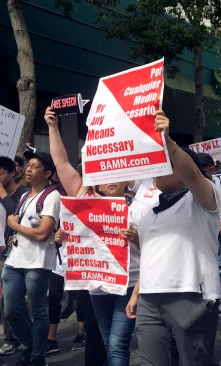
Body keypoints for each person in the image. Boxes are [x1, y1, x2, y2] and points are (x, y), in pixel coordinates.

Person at [127, 109, 221, 365]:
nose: (156, 172)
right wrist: (137, 293)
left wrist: (167, 141)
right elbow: (150, 256)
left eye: (164, 164)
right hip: (149, 298)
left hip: (191, 295)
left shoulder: (203, 197)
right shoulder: (147, 209)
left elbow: (191, 174)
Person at [45, 105, 137, 365]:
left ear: (127, 178)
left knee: (118, 345)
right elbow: (61, 162)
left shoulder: (138, 203)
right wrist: (53, 128)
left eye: (115, 173)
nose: (109, 178)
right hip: (97, 285)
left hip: (127, 283)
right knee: (109, 344)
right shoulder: (83, 197)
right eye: (102, 172)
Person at [2, 150, 60, 366]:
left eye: (35, 166)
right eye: (28, 165)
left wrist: (15, 225)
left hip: (37, 262)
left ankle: (37, 356)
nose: (28, 168)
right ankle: (31, 345)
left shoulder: (52, 196)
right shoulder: (25, 195)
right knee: (10, 310)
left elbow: (43, 233)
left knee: (37, 310)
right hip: (14, 260)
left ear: (47, 173)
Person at [0, 156, 29, 355]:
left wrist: (2, 193)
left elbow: (15, 214)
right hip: (3, 252)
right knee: (5, 301)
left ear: (13, 172)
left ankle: (27, 339)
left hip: (18, 252)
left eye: (1, 173)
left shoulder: (24, 193)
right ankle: (13, 338)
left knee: (15, 300)